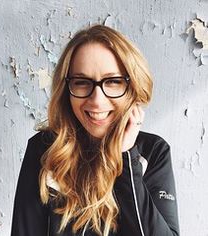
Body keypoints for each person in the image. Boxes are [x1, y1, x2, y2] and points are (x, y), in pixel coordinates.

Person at [11, 24, 180, 236]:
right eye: (82, 82)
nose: (97, 101)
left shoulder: (153, 151)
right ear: (67, 90)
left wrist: (126, 158)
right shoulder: (43, 149)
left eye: (113, 82)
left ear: (133, 87)